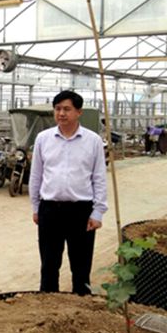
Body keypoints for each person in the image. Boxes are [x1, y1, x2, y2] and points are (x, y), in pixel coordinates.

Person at [29, 90, 107, 296]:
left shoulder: (93, 141)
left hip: (81, 211)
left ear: (79, 112)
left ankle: (81, 305)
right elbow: (36, 175)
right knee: (49, 265)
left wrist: (98, 212)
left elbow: (99, 177)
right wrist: (36, 207)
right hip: (50, 209)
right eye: (57, 109)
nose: (61, 113)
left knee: (81, 266)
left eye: (67, 109)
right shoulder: (43, 139)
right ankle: (48, 304)